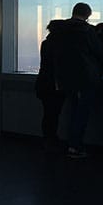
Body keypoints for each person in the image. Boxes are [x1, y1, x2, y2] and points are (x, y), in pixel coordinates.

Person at [50, 2, 103, 159]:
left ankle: (71, 143)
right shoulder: (87, 31)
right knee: (82, 112)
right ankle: (75, 145)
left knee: (72, 110)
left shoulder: (60, 30)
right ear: (87, 15)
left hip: (66, 77)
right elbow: (99, 50)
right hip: (86, 77)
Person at [35, 19, 66, 152]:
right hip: (54, 86)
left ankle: (49, 139)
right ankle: (51, 139)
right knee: (53, 114)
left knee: (49, 113)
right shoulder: (62, 46)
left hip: (43, 84)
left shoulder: (46, 44)